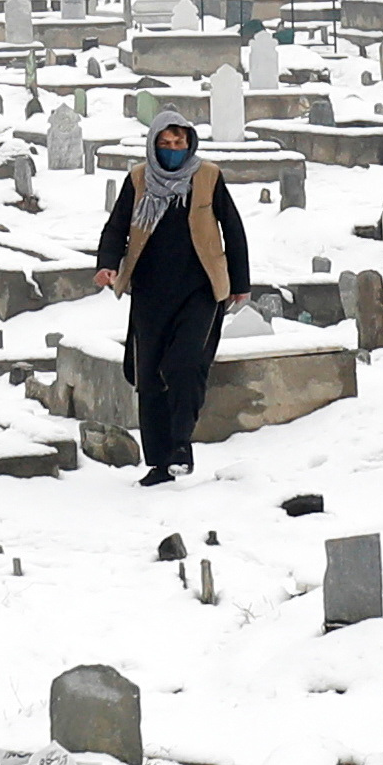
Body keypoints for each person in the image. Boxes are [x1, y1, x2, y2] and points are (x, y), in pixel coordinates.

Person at [92, 115, 251, 487]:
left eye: (179, 144)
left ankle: (181, 445)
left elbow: (233, 228)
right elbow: (117, 227)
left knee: (184, 363)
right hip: (150, 291)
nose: (173, 151)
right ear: (153, 145)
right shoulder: (138, 180)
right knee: (148, 377)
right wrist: (107, 265)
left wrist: (239, 282)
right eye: (166, 144)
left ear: (190, 144)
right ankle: (160, 463)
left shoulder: (208, 176)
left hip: (200, 289)